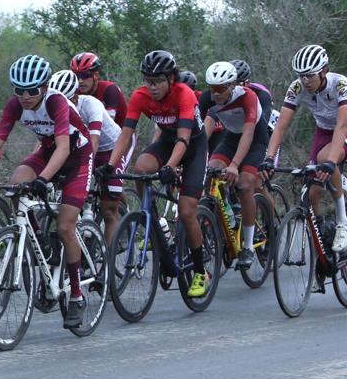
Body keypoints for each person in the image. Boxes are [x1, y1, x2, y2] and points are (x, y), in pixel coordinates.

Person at [0, 56, 93, 328]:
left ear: (45, 86)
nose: (25, 97)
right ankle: (40, 239)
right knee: (16, 184)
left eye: (32, 91)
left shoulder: (56, 101)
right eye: (19, 90)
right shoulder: (15, 105)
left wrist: (43, 179)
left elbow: (64, 148)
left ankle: (75, 295)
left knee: (65, 227)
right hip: (48, 152)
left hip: (77, 157)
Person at [107, 50, 211, 298]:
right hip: (167, 142)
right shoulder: (140, 96)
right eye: (148, 81)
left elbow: (184, 138)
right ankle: (153, 219)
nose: (151, 87)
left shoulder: (184, 94)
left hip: (193, 147)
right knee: (141, 168)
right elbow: (125, 135)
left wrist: (170, 167)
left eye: (157, 81)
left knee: (186, 211)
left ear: (171, 79)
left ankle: (199, 270)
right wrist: (111, 165)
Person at [260, 44, 347, 253]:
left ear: (324, 70)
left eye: (310, 76)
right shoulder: (297, 87)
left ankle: (343, 221)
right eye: (301, 76)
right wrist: (269, 158)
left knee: (326, 157)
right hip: (323, 132)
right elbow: (281, 126)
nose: (305, 81)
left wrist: (330, 161)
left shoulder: (341, 85)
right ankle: (324, 236)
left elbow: (342, 125)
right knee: (311, 193)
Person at [201, 61, 270, 269]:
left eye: (221, 89)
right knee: (209, 174)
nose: (216, 94)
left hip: (256, 140)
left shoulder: (248, 97)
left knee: (244, 185)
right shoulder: (208, 98)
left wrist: (234, 165)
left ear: (232, 86)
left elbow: (248, 134)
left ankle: (247, 246)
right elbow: (202, 132)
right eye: (212, 89)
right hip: (231, 139)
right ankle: (227, 213)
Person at [48, 69, 127, 243]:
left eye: (65, 101)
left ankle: (110, 259)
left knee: (108, 209)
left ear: (75, 98)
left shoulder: (91, 105)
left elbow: (95, 140)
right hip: (82, 148)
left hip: (111, 148)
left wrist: (86, 169)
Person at [71, 52, 128, 128]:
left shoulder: (110, 89)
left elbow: (108, 124)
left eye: (85, 75)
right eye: (76, 76)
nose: (80, 80)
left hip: (121, 134)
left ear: (96, 75)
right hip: (94, 134)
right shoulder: (75, 93)